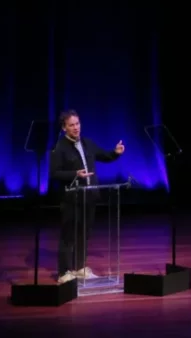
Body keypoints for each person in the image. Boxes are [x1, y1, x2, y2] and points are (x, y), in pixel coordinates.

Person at [50, 109, 125, 284]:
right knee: (68, 235)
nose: (76, 128)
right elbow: (54, 173)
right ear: (64, 128)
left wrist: (115, 152)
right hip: (71, 199)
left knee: (84, 234)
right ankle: (64, 272)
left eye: (77, 124)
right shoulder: (59, 147)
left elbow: (104, 156)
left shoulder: (87, 143)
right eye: (71, 125)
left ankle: (79, 268)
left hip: (89, 197)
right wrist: (75, 174)